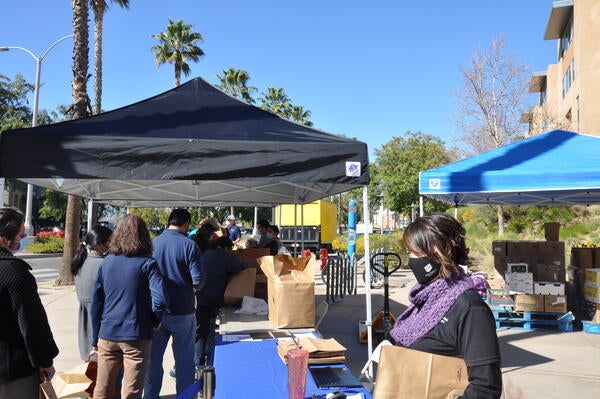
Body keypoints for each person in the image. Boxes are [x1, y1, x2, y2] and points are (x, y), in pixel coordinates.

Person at [389, 213, 502, 398]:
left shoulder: (470, 309)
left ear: (437, 250)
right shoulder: (426, 298)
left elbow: (486, 387)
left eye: (414, 252)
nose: (410, 260)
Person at [91, 214, 167, 399]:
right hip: (136, 334)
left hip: (107, 333)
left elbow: (97, 303)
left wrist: (95, 338)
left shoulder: (107, 262)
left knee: (102, 388)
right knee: (131, 391)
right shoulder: (147, 263)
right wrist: (155, 320)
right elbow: (160, 300)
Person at [144, 209, 204, 398]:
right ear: (186, 224)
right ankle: (185, 396)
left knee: (153, 361)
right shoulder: (189, 245)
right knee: (185, 362)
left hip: (155, 313)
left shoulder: (152, 245)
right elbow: (197, 280)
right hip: (183, 311)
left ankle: (151, 395)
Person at [0, 207, 59, 399]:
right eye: (21, 234)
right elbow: (32, 324)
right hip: (13, 371)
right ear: (3, 238)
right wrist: (45, 360)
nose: (23, 238)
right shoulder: (15, 273)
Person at [192, 232, 246, 367]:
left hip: (197, 298)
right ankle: (205, 364)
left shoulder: (206, 253)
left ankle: (198, 365)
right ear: (227, 248)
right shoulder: (224, 256)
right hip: (210, 300)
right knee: (207, 332)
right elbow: (241, 266)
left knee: (201, 333)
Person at [71, 225, 113, 363]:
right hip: (100, 320)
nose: (112, 244)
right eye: (110, 241)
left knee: (90, 366)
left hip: (84, 321)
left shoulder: (79, 262)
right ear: (101, 244)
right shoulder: (105, 264)